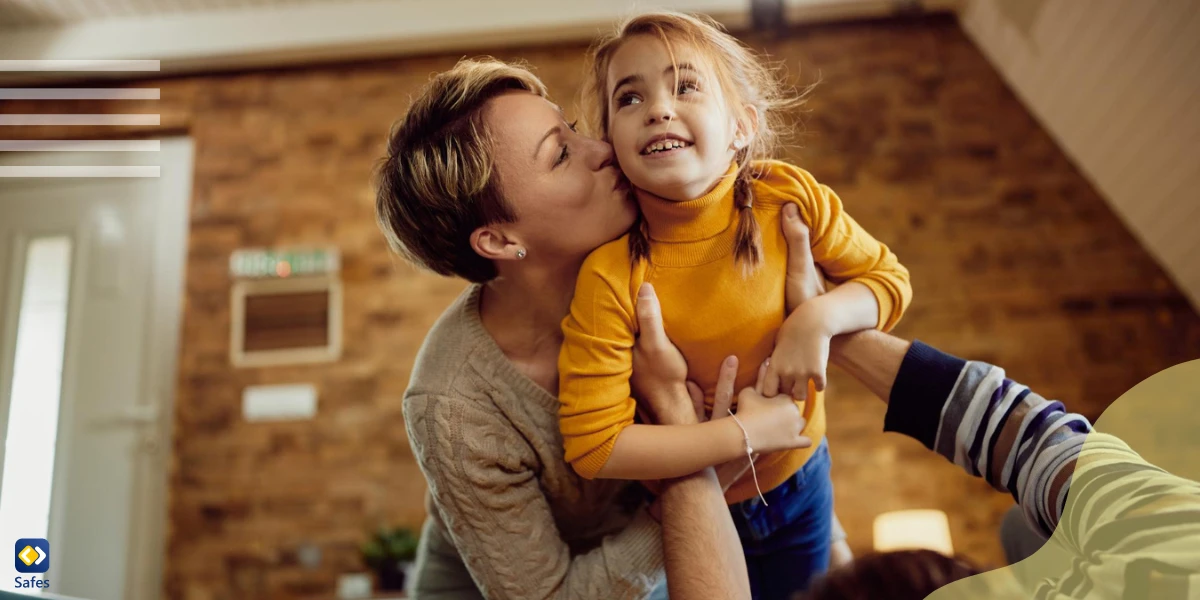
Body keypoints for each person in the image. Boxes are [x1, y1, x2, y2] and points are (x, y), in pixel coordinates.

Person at [374, 57, 835, 599]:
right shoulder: (455, 408)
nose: (602, 149)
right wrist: (718, 458)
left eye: (571, 127)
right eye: (561, 154)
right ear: (499, 241)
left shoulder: (657, 248)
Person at [555, 12, 911, 596]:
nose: (659, 108)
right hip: (693, 506)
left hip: (802, 481)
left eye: (685, 85)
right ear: (613, 145)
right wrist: (743, 435)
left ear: (743, 126)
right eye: (630, 98)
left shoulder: (789, 198)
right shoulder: (609, 275)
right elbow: (594, 445)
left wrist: (817, 320)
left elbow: (888, 282)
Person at [635, 232, 1200, 599]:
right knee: (1023, 526)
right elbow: (1029, 436)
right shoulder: (1169, 551)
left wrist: (687, 434)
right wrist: (824, 322)